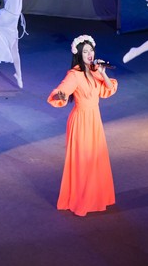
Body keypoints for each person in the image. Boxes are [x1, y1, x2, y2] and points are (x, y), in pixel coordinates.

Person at [47, 34, 118, 217]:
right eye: (85, 51)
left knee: (96, 158)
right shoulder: (74, 74)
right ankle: (82, 200)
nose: (89, 54)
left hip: (94, 119)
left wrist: (103, 72)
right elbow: (61, 90)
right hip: (81, 121)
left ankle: (97, 197)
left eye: (91, 50)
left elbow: (109, 89)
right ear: (78, 54)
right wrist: (60, 95)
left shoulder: (95, 70)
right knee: (83, 161)